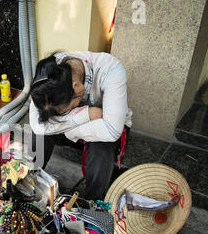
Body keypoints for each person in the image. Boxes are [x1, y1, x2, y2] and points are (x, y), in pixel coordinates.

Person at [29, 52, 133, 201]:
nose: (65, 113)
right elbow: (38, 126)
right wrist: (85, 114)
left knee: (101, 146)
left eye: (65, 110)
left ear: (76, 86)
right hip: (83, 123)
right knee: (40, 133)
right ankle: (28, 180)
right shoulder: (50, 72)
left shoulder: (110, 69)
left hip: (106, 129)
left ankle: (91, 204)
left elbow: (111, 130)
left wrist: (68, 126)